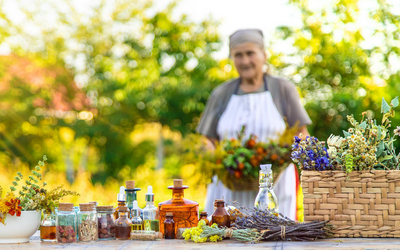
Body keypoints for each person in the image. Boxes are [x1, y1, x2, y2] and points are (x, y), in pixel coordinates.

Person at [196, 29, 311, 219]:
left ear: (264, 55)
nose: (244, 61)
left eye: (250, 53)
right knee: (226, 239)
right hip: (228, 189)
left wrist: (284, 157)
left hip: (277, 187)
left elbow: (301, 134)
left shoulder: (282, 89)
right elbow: (207, 140)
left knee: (275, 241)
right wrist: (217, 162)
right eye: (238, 55)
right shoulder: (221, 93)